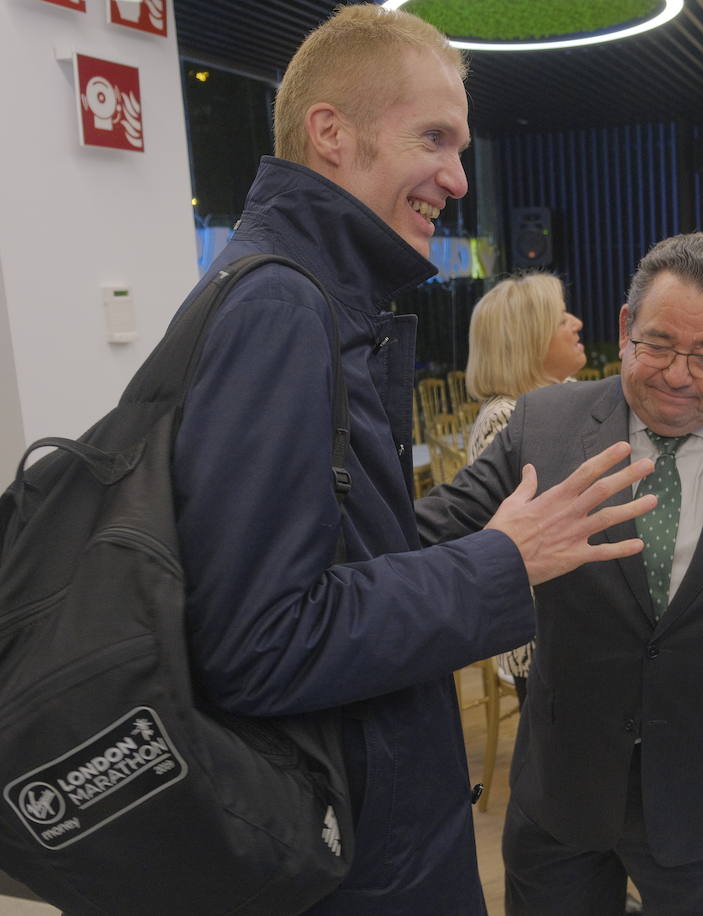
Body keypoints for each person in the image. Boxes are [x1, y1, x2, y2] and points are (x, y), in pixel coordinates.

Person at [169, 7, 654, 914]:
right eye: (433, 137)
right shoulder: (281, 311)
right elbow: (259, 642)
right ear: (331, 135)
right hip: (355, 854)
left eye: (463, 146)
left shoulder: (311, 299)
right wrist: (505, 560)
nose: (459, 178)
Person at [418, 233, 703, 916]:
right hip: (563, 787)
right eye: (659, 345)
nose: (676, 374)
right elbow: (435, 534)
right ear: (625, 328)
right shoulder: (544, 424)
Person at [465, 271, 587, 705]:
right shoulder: (504, 418)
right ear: (528, 341)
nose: (577, 323)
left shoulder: (569, 396)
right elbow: (513, 545)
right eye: (560, 320)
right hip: (545, 637)